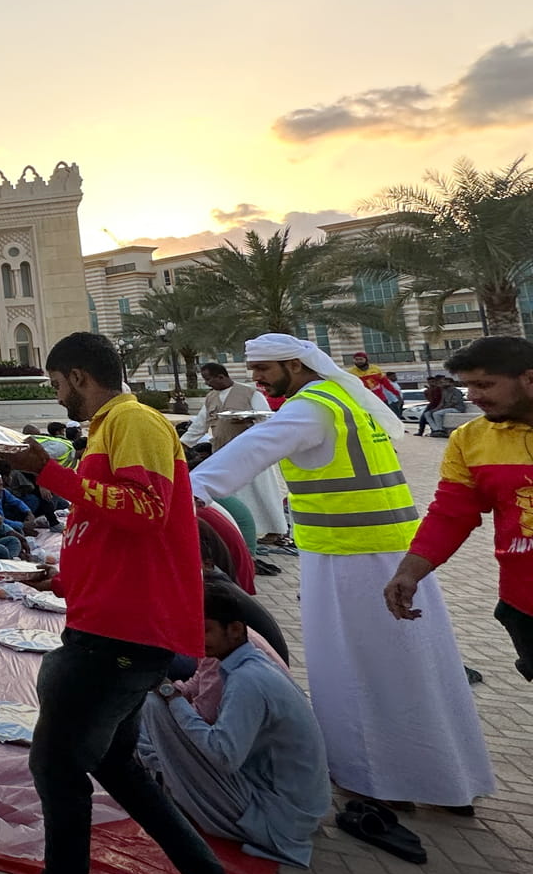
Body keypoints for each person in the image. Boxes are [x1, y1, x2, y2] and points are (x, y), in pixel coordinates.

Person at [0, 331, 266, 874]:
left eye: (57, 384)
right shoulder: (108, 430)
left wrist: (50, 473)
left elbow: (145, 509)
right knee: (120, 770)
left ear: (79, 377)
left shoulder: (134, 422)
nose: (57, 395)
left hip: (117, 636)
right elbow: (112, 527)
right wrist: (64, 579)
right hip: (114, 623)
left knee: (56, 764)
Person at [194, 332, 494, 810]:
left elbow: (248, 451)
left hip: (349, 557)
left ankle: (377, 781)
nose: (258, 379)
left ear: (295, 365)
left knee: (354, 670)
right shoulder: (345, 399)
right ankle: (442, 780)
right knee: (416, 668)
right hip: (393, 554)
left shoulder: (311, 408)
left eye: (264, 369)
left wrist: (186, 495)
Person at [138, 587, 330, 868]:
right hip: (282, 801)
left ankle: (159, 775)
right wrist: (170, 691)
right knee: (155, 703)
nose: (197, 638)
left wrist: (172, 698)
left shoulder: (247, 680)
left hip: (277, 816)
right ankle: (160, 772)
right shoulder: (237, 658)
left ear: (236, 630)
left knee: (155, 707)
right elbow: (193, 686)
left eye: (205, 630)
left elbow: (223, 755)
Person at [385, 335, 533, 682]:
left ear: (529, 378)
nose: (474, 396)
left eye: (485, 384)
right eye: (468, 385)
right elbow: (451, 515)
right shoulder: (469, 439)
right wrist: (409, 572)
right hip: (523, 603)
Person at [180, 362, 291, 547]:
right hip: (223, 453)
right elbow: (199, 425)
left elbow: (267, 420)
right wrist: (182, 445)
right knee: (236, 496)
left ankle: (275, 530)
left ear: (221, 376)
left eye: (209, 379)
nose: (207, 383)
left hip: (252, 453)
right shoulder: (211, 398)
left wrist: (249, 420)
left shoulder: (250, 393)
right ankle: (242, 531)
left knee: (262, 492)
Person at [346, 351, 406, 417]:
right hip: (365, 401)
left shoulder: (376, 369)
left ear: (366, 359)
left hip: (380, 399)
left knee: (386, 417)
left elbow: (387, 384)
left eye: (361, 359)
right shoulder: (351, 372)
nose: (359, 361)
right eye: (356, 359)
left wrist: (397, 395)